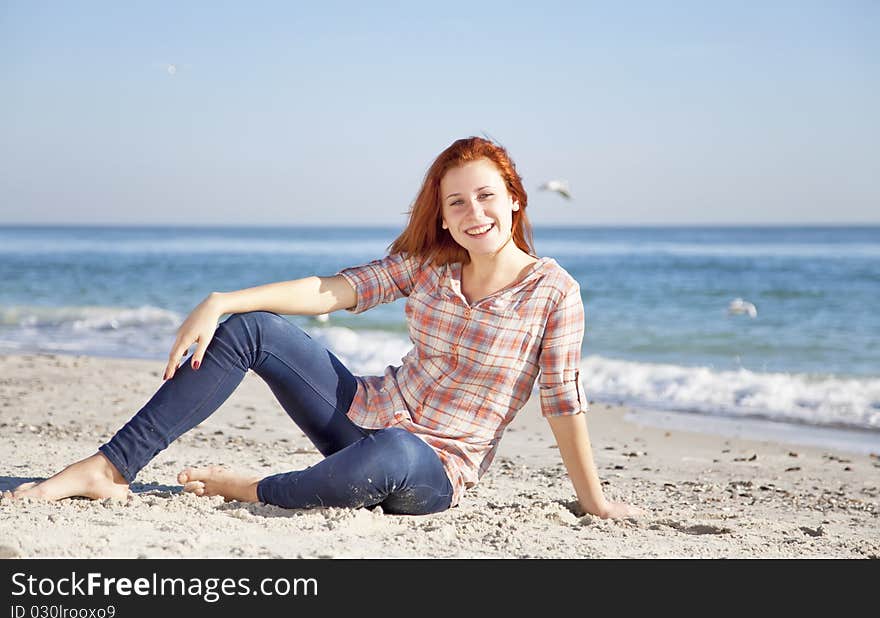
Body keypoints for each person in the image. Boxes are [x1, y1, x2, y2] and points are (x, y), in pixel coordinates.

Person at [5, 137, 642, 519]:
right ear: (443, 218)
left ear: (515, 198)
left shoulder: (553, 291)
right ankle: (110, 469)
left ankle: (253, 488)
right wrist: (222, 300)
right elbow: (333, 291)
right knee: (251, 328)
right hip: (362, 415)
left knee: (394, 451)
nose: (474, 213)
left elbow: (563, 403)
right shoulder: (429, 266)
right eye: (456, 202)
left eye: (486, 196)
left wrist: (593, 501)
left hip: (430, 467)